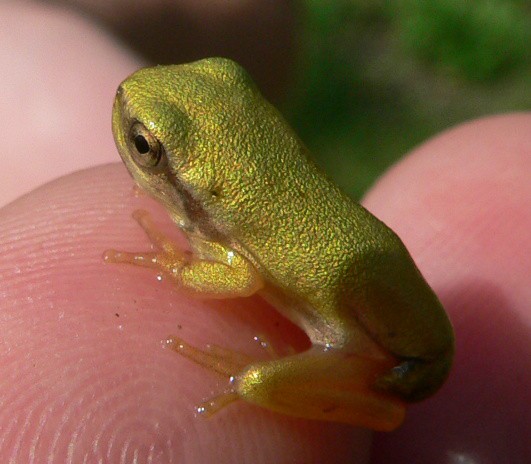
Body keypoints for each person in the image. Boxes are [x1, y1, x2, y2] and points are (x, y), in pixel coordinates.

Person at [0, 2, 528, 462]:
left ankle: (276, 385)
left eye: (144, 146)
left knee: (255, 382)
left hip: (366, 347)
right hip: (377, 268)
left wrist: (179, 265)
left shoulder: (218, 217)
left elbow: (238, 275)